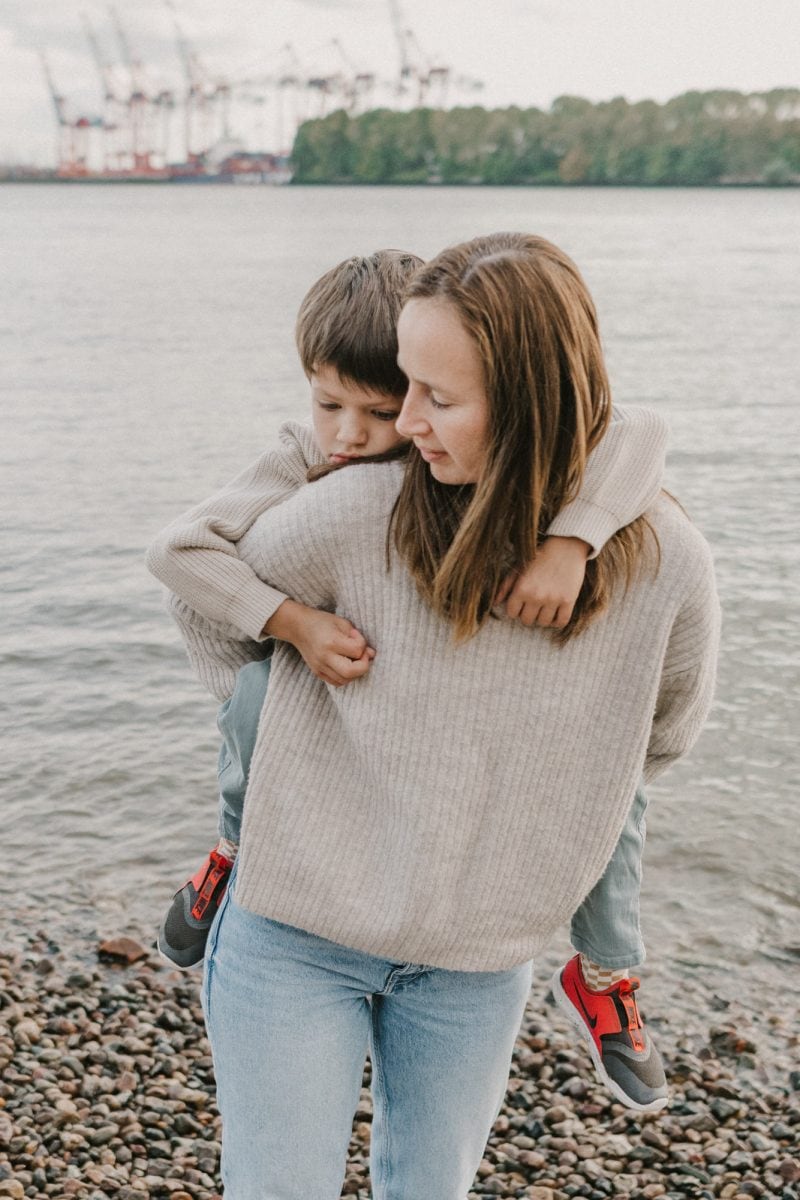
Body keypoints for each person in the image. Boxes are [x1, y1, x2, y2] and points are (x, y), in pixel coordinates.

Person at [153, 232, 719, 1197]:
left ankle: (604, 979)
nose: (397, 422)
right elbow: (208, 611)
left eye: (436, 397)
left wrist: (511, 785)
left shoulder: (659, 559)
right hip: (293, 939)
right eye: (400, 387)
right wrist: (291, 685)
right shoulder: (352, 508)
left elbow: (654, 739)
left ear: (535, 400)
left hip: (477, 962)